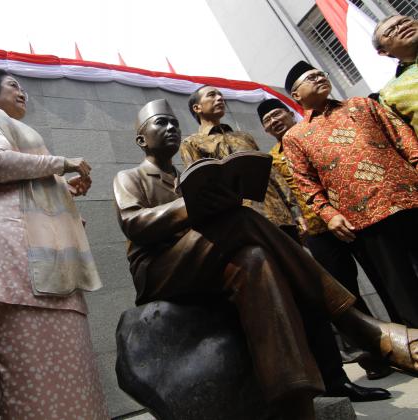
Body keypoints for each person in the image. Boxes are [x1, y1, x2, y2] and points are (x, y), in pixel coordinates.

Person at [112, 99, 418, 419]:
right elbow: (134, 223)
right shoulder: (130, 177)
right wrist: (193, 205)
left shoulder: (185, 176)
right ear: (141, 139)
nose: (171, 128)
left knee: (255, 259)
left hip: (205, 260)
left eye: (174, 123)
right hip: (159, 270)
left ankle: (295, 399)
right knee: (243, 219)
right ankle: (357, 324)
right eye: (161, 123)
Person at [0, 69, 108, 420]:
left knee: (74, 362)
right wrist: (61, 164)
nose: (22, 91)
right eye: (13, 85)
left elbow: (26, 185)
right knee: (25, 365)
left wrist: (61, 188)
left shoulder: (14, 128)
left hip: (41, 252)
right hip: (11, 248)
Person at [258, 98, 393, 379]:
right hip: (317, 232)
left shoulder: (317, 133)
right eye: (267, 120)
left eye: (277, 114)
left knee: (384, 276)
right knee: (345, 294)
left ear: (290, 113)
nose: (274, 121)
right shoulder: (272, 159)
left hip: (351, 216)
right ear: (265, 129)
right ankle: (375, 355)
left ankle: (406, 337)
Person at [282, 60, 418, 329]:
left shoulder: (362, 104)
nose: (319, 78)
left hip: (408, 195)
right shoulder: (295, 137)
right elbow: (305, 182)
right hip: (365, 217)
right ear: (296, 95)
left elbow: (401, 135)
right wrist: (329, 214)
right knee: (400, 285)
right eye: (310, 78)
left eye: (320, 73)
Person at [180, 85, 303, 241]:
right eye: (212, 95)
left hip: (282, 217)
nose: (220, 98)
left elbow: (271, 174)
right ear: (197, 108)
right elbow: (202, 190)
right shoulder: (192, 143)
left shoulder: (244, 137)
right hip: (244, 225)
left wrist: (296, 212)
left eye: (220, 94)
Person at [373, 14, 418, 134]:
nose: (403, 27)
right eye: (390, 31)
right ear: (383, 52)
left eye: (405, 21)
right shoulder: (388, 94)